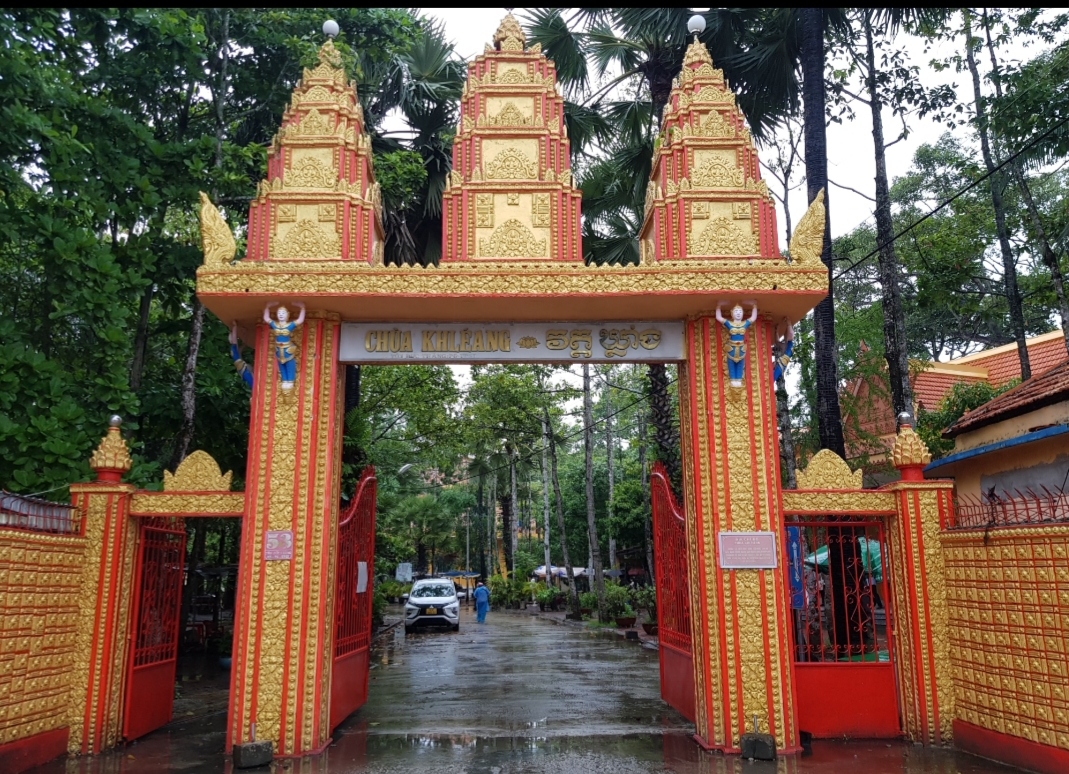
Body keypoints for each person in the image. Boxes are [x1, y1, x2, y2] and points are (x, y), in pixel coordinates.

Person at [263, 302, 305, 390]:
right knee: (281, 366)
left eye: (283, 313)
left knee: (290, 364)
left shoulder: (289, 325)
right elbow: (266, 318)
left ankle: (290, 381)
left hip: (287, 350)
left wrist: (302, 308)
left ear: (287, 315)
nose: (281, 315)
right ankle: (285, 380)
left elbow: (300, 320)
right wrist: (267, 307)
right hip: (278, 350)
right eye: (279, 313)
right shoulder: (275, 325)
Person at [715, 301, 758, 388]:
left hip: (741, 350)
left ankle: (739, 380)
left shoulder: (744, 324)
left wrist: (754, 306)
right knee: (731, 365)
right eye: (736, 312)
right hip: (731, 349)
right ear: (732, 314)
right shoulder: (729, 324)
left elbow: (753, 318)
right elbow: (718, 317)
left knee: (740, 366)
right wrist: (718, 306)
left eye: (740, 312)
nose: (738, 313)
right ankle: (732, 380)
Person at [229, 324, 253, 388]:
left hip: (243, 368)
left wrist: (245, 332)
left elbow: (244, 344)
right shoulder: (233, 350)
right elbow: (234, 340)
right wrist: (234, 327)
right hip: (244, 370)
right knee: (253, 385)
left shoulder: (237, 352)